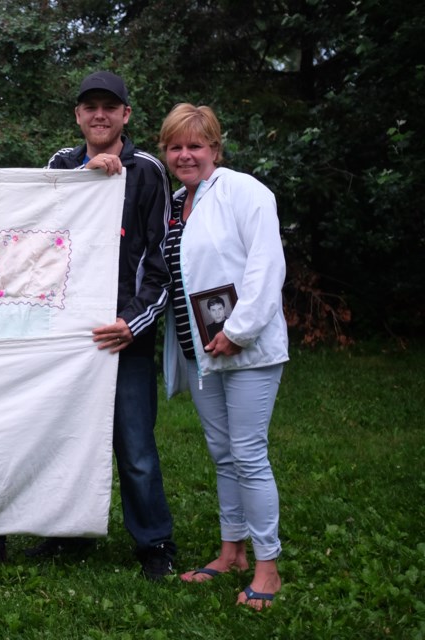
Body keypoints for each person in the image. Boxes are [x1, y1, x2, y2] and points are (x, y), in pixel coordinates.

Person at [21, 71, 177, 581]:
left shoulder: (150, 172)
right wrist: (88, 174)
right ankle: (69, 532)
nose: (99, 115)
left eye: (110, 107)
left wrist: (133, 323)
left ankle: (155, 542)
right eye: (90, 107)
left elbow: (161, 263)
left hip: (123, 335)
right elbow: (43, 235)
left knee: (134, 447)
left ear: (126, 115)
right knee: (66, 437)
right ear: (77, 115)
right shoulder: (61, 166)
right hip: (68, 337)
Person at [159, 103, 288, 609]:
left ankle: (267, 565)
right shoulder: (174, 203)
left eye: (195, 145)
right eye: (175, 146)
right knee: (223, 454)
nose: (185, 154)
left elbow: (265, 267)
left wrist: (238, 330)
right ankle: (231, 551)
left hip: (246, 349)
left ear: (215, 147)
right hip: (200, 353)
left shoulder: (245, 192)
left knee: (249, 455)